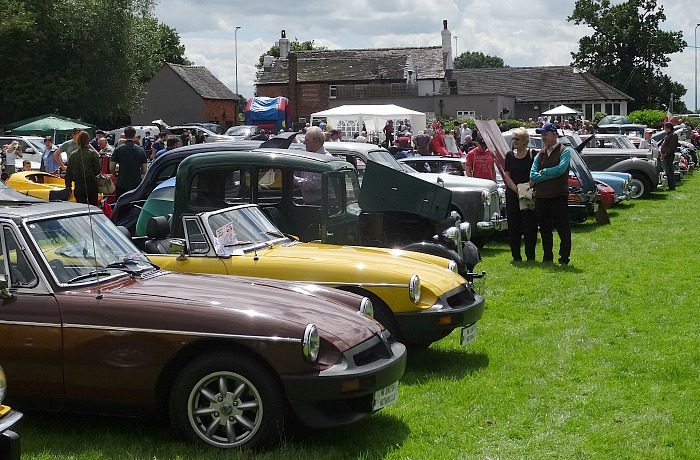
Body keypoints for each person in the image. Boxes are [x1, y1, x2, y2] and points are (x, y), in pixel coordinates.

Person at [529, 123, 571, 265]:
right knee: (545, 230)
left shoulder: (564, 151)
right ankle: (547, 257)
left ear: (554, 134)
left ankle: (564, 258)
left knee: (562, 229)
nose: (543, 137)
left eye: (545, 134)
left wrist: (545, 172)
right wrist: (549, 175)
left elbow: (560, 170)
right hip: (541, 197)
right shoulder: (540, 154)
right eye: (542, 134)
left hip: (558, 196)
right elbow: (533, 175)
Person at [503, 127, 537, 262]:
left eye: (517, 139)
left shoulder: (532, 154)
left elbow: (536, 173)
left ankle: (531, 256)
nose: (514, 141)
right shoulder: (509, 155)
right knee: (514, 225)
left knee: (530, 225)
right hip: (512, 194)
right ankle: (516, 256)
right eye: (513, 139)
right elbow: (506, 173)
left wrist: (527, 187)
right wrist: (515, 188)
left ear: (524, 141)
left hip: (528, 194)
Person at [109, 126, 148, 198]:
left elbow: (111, 168)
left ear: (125, 134)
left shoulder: (118, 149)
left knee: (121, 205)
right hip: (136, 182)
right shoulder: (141, 150)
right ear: (134, 135)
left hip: (122, 182)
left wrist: (116, 175)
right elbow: (144, 170)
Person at [65, 131, 101, 206]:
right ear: (88, 141)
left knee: (81, 208)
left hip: (79, 185)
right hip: (91, 185)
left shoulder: (73, 155)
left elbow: (68, 173)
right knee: (93, 207)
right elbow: (97, 170)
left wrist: (68, 186)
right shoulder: (92, 154)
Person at [659, 121, 678, 190]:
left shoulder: (673, 135)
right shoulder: (669, 134)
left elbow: (672, 147)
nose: (664, 129)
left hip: (668, 156)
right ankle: (670, 185)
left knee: (669, 170)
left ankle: (671, 186)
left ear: (668, 128)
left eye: (665, 128)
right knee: (667, 170)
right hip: (665, 155)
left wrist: (666, 154)